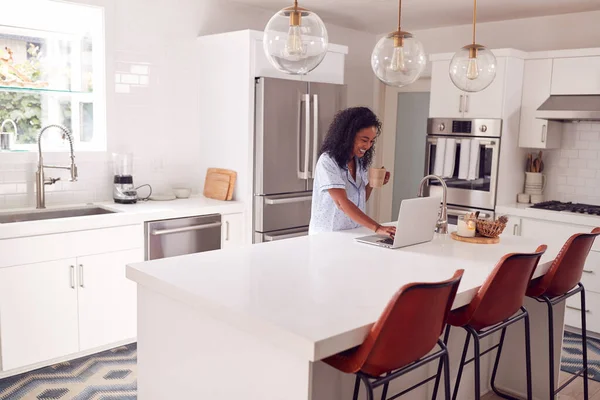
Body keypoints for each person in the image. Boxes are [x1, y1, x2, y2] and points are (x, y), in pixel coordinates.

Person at [308, 107, 396, 238]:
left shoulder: (358, 161)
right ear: (348, 136)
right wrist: (377, 228)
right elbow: (342, 203)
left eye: (371, 141)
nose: (367, 146)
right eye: (364, 140)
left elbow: (359, 199)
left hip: (352, 234)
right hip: (327, 237)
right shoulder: (327, 161)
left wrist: (372, 184)